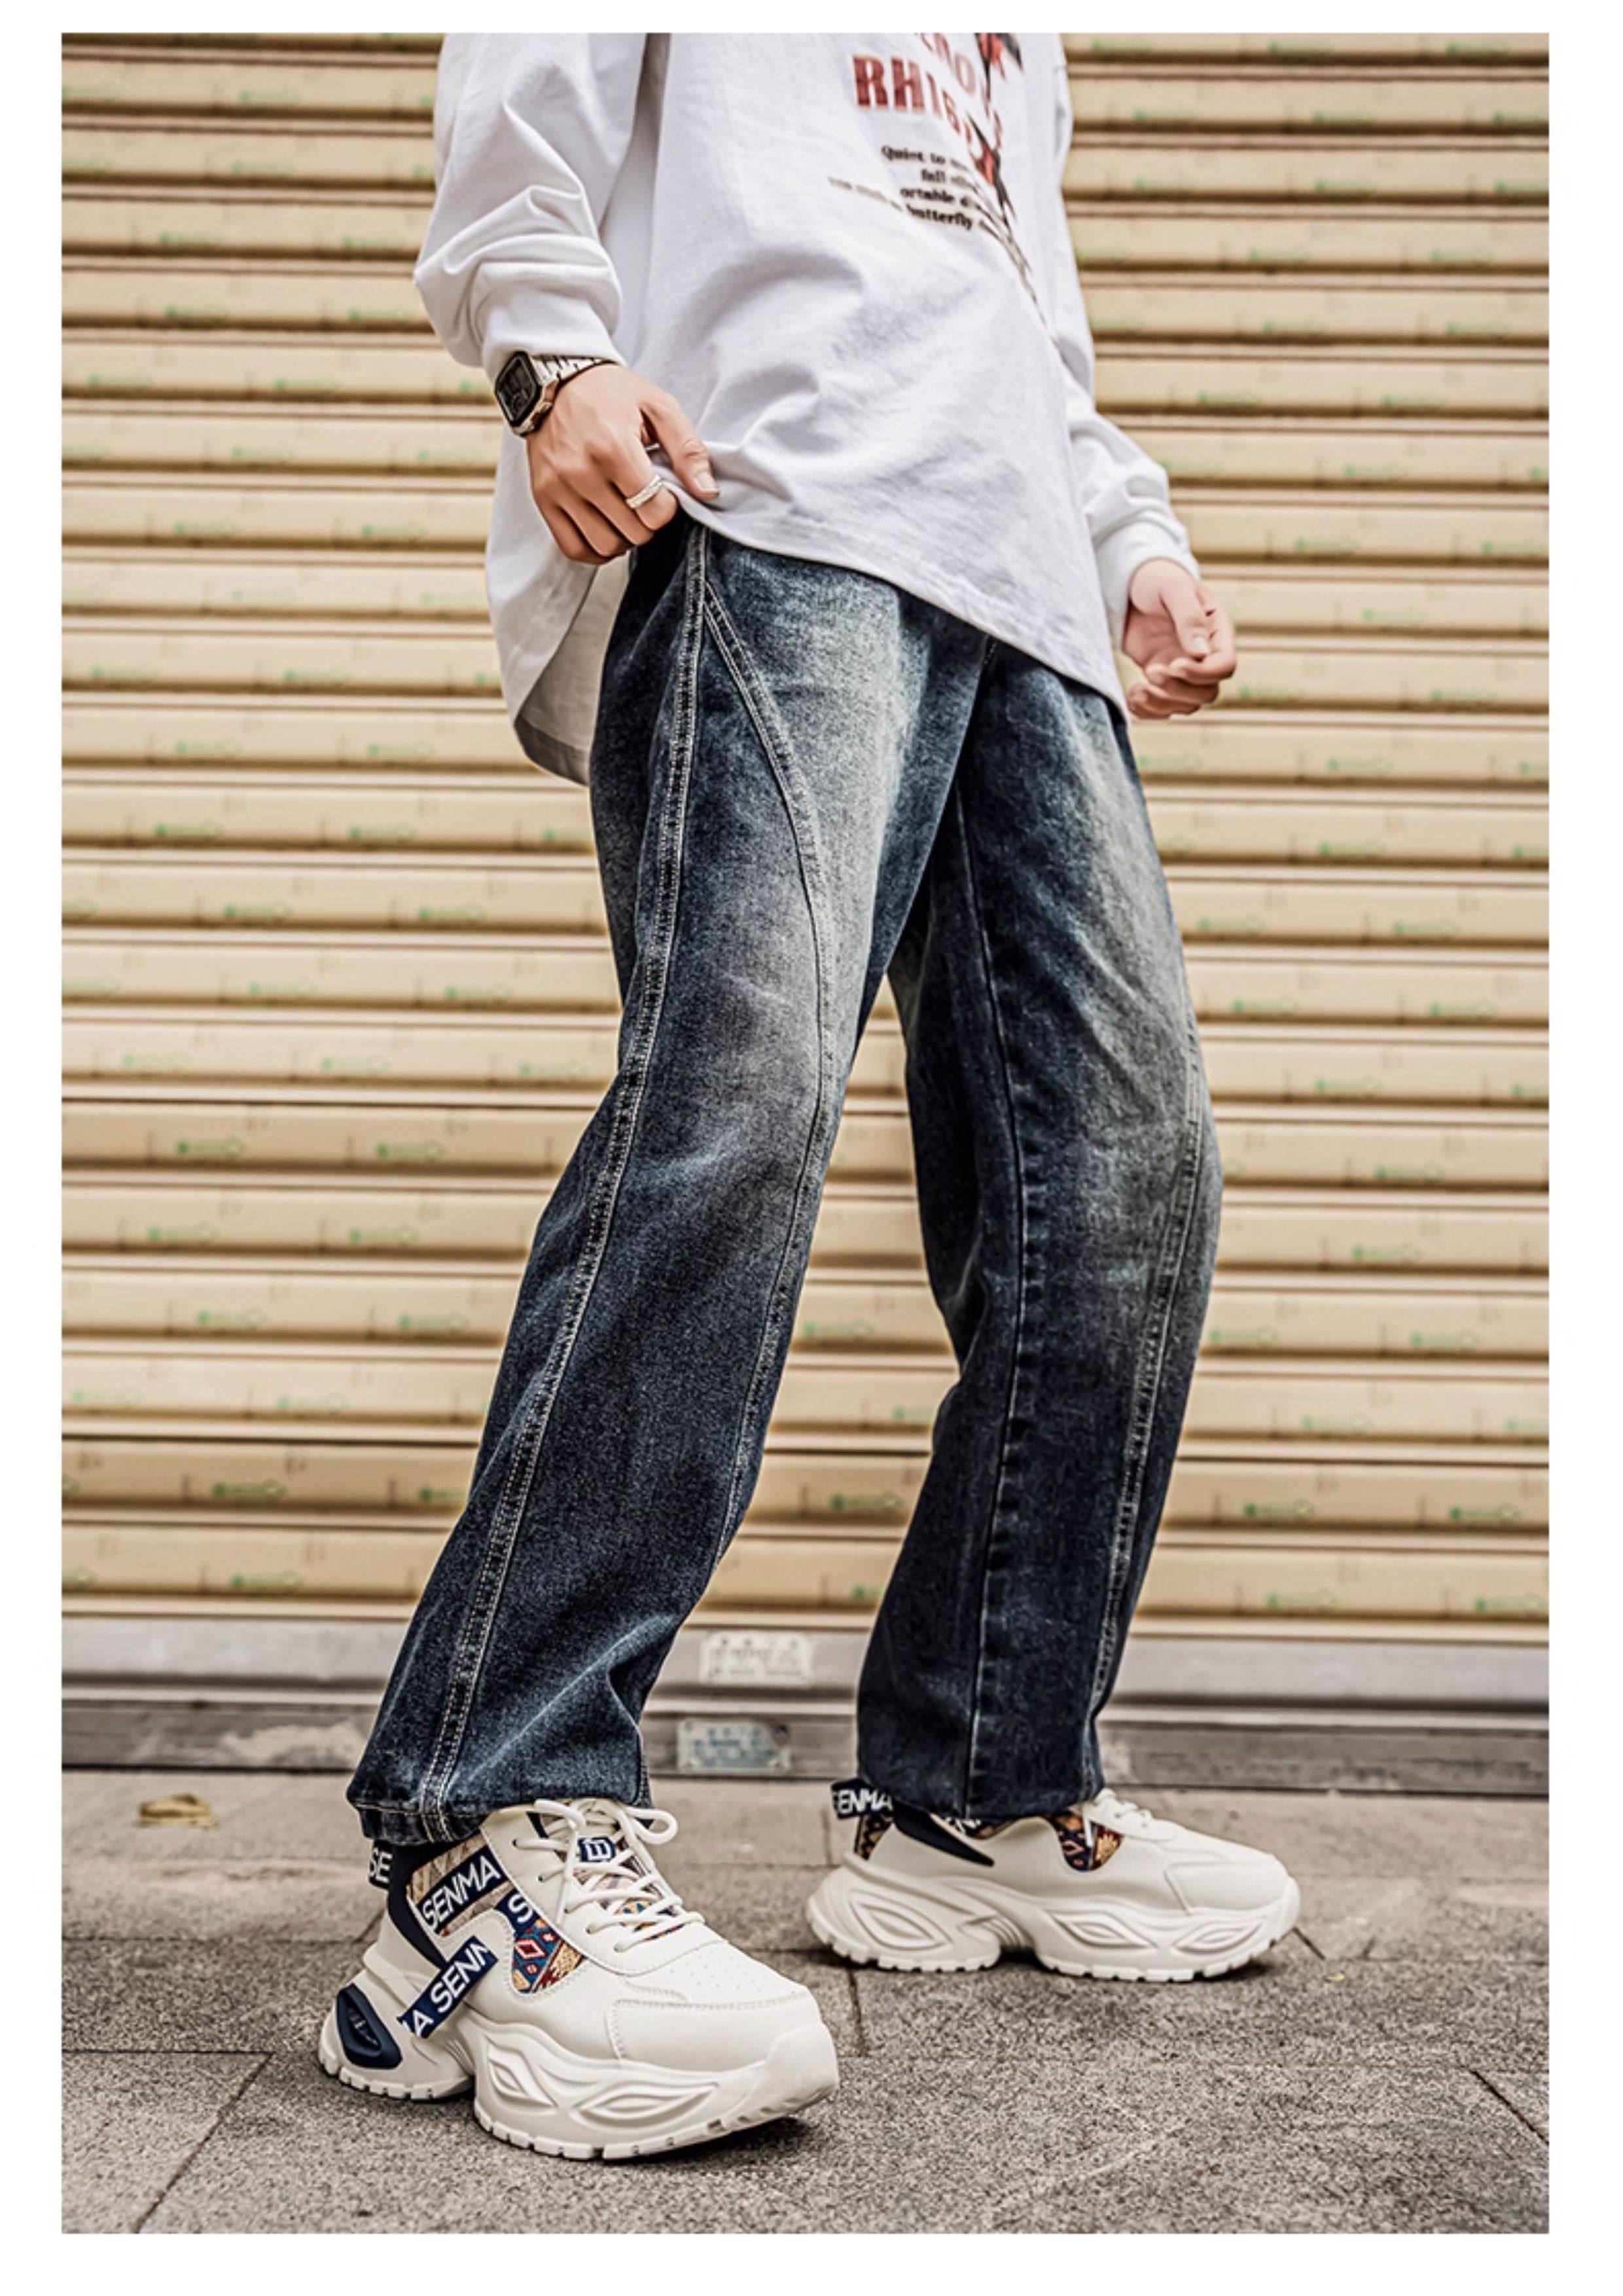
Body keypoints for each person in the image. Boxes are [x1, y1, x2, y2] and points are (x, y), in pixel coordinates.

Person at [320, 31, 1300, 2162]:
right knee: (738, 1109)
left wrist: (1129, 532)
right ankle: (484, 1822)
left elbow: (1022, 311)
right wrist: (550, 357)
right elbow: (526, 85)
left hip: (1024, 595)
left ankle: (977, 1777)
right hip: (771, 501)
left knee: (1128, 1184)